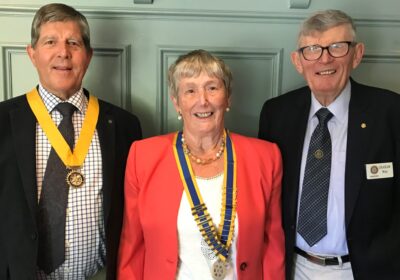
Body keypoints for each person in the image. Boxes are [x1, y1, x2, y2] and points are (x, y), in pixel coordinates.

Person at [0, 3, 142, 280]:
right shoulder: (2, 121)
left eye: (73, 43)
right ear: (32, 54)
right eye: (50, 41)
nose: (63, 52)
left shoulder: (124, 125)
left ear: (88, 56)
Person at [117, 49, 285, 279]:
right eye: (190, 90)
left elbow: (273, 246)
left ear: (228, 98)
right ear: (176, 103)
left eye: (212, 88)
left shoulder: (265, 157)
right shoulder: (144, 156)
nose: (202, 100)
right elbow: (132, 246)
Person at [258, 9, 400, 280]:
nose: (324, 58)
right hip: (293, 268)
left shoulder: (391, 112)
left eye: (337, 47)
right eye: (312, 49)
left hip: (364, 271)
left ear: (356, 54)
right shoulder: (277, 114)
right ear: (298, 61)